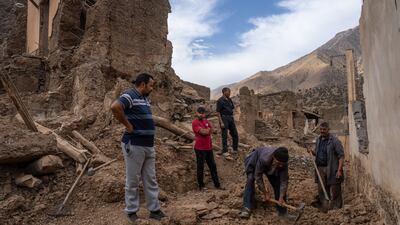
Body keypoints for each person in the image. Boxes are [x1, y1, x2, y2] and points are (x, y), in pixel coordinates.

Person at [111, 73, 166, 223]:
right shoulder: (130, 95)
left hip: (148, 145)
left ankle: (154, 210)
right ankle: (131, 212)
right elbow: (115, 107)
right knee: (133, 179)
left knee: (150, 178)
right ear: (143, 84)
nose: (152, 88)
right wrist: (128, 126)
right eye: (151, 85)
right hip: (134, 144)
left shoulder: (144, 98)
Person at [239, 147, 294, 220]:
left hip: (271, 166)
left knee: (278, 183)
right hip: (254, 162)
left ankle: (282, 213)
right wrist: (265, 193)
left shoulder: (283, 164)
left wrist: (281, 196)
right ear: (274, 157)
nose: (281, 165)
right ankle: (246, 207)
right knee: (250, 179)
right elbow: (258, 176)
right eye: (279, 163)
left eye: (282, 164)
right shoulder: (264, 159)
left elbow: (284, 181)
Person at [309, 122, 344, 210]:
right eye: (321, 129)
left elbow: (341, 156)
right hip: (320, 168)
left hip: (332, 168)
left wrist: (339, 170)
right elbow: (317, 153)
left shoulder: (335, 141)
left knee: (335, 189)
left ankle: (337, 208)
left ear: (328, 130)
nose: (322, 131)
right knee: (322, 189)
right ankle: (325, 207)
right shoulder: (318, 140)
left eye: (324, 129)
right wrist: (311, 152)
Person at [192, 106, 221, 190]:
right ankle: (201, 186)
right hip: (200, 148)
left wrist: (209, 130)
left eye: (203, 113)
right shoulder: (195, 122)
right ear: (196, 113)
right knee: (200, 167)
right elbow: (203, 132)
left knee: (213, 166)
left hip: (208, 148)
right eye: (200, 113)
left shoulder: (206, 121)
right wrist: (209, 130)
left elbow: (214, 131)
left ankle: (217, 185)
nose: (201, 114)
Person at [216, 87, 239, 156]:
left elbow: (232, 108)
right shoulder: (220, 100)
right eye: (229, 92)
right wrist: (221, 122)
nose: (230, 93)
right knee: (224, 135)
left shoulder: (229, 99)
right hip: (224, 118)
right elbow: (218, 112)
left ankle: (235, 149)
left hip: (230, 118)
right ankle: (224, 150)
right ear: (224, 92)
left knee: (235, 134)